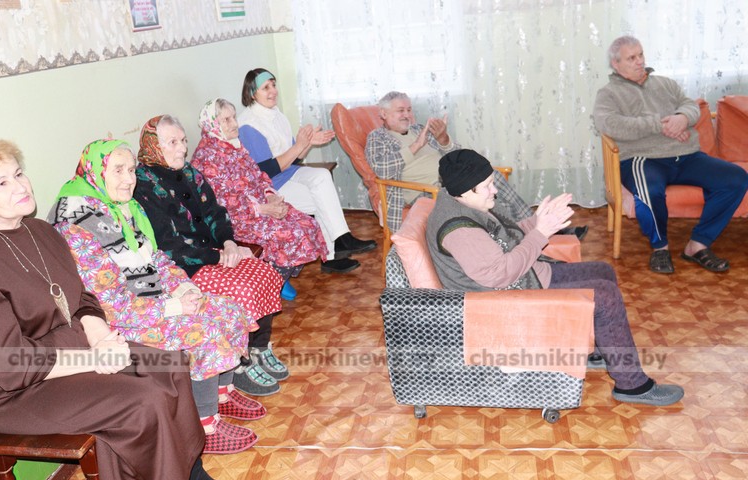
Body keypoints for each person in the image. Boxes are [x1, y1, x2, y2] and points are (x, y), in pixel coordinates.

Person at [0, 139, 232, 480]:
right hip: (17, 389)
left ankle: (190, 477)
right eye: (2, 183)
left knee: (170, 366)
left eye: (18, 174)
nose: (20, 187)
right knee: (143, 400)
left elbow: (81, 297)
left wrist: (99, 337)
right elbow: (8, 364)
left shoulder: (41, 231)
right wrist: (94, 358)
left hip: (76, 349)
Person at [48, 139, 266, 455]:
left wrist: (183, 287)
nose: (129, 179)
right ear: (96, 172)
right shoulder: (77, 224)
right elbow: (109, 304)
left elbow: (156, 258)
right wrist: (174, 306)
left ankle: (222, 394)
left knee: (229, 310)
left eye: (131, 170)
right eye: (118, 170)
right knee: (202, 330)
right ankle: (205, 426)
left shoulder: (121, 208)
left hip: (154, 301)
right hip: (119, 322)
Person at [426, 149, 684, 406]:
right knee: (605, 297)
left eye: (492, 182)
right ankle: (633, 385)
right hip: (504, 301)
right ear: (464, 191)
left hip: (522, 278)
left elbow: (505, 236)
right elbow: (500, 275)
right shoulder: (461, 231)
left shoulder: (464, 201)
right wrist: (540, 234)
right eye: (487, 186)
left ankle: (596, 350)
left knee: (603, 272)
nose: (494, 190)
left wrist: (538, 221)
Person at [133, 115, 287, 397]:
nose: (183, 148)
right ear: (153, 146)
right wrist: (216, 258)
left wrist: (228, 243)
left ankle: (258, 347)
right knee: (240, 289)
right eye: (173, 142)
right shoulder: (143, 186)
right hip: (184, 266)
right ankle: (239, 364)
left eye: (183, 141)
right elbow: (168, 246)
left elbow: (215, 211)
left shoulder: (190, 173)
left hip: (212, 253)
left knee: (264, 272)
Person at [593, 35, 748, 274]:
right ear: (616, 64)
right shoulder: (608, 94)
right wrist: (660, 125)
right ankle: (660, 248)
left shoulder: (666, 84)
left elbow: (690, 106)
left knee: (736, 179)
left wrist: (682, 118)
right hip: (642, 158)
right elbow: (611, 125)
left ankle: (698, 244)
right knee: (649, 191)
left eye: (640, 55)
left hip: (686, 156)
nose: (639, 61)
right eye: (631, 58)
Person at [366, 91, 588, 239]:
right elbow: (382, 170)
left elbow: (455, 156)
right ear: (383, 114)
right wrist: (417, 145)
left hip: (449, 181)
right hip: (426, 192)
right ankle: (535, 230)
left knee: (491, 179)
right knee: (484, 191)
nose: (407, 115)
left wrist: (443, 139)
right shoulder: (378, 138)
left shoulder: (418, 129)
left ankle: (533, 228)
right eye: (401, 111)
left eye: (409, 109)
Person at [238, 68, 377, 274]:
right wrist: (299, 146)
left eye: (273, 85)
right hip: (268, 187)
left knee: (322, 176)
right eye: (265, 88)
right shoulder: (249, 125)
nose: (273, 91)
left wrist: (308, 142)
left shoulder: (276, 115)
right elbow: (266, 171)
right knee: (322, 199)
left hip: (288, 173)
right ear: (252, 93)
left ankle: (341, 239)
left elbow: (295, 158)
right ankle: (333, 251)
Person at [191, 98, 329, 301]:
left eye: (234, 117)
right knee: (291, 233)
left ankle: (279, 274)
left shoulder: (234, 145)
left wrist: (270, 196)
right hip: (236, 220)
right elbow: (223, 205)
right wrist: (263, 209)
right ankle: (273, 282)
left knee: (307, 224)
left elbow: (258, 174)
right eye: (227, 120)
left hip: (259, 206)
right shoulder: (207, 158)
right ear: (212, 124)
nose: (235, 123)